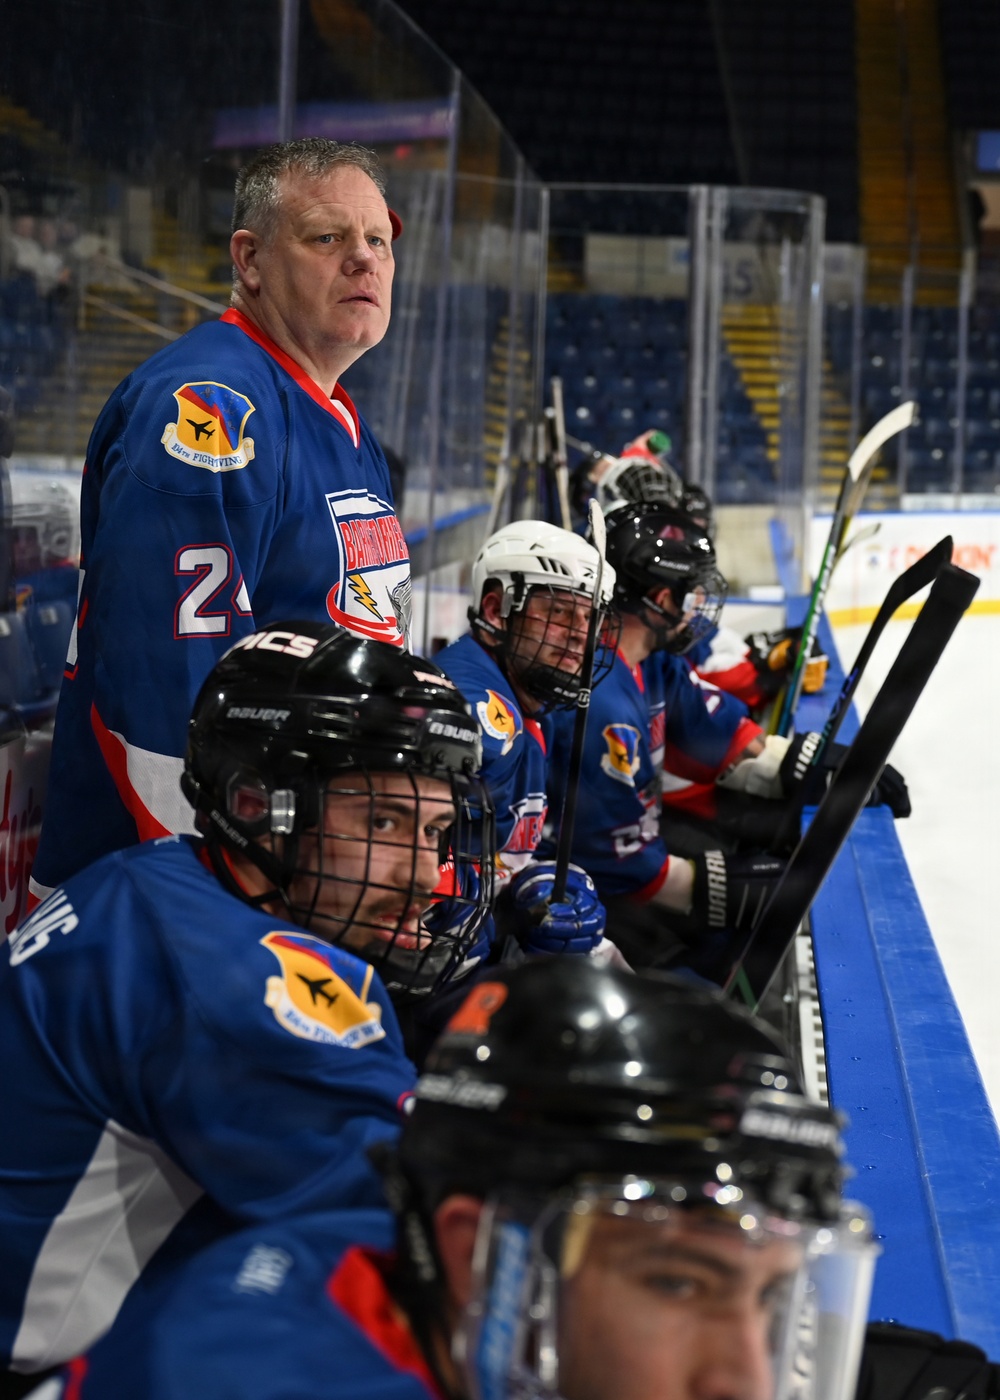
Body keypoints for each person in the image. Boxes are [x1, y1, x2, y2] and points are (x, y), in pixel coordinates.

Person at [0, 621, 491, 1383]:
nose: (428, 875)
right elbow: (441, 1241)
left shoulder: (153, 879)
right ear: (258, 803)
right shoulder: (244, 981)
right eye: (385, 823)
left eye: (436, 831)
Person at [54, 957, 880, 1400]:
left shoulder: (396, 1261)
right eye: (677, 1281)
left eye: (771, 1298)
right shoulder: (249, 1376)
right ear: (467, 1252)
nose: (745, 1381)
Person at [31, 138, 410, 901]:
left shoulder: (337, 417)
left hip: (293, 864)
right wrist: (225, 885)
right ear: (250, 260)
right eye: (328, 237)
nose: (365, 260)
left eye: (378, 241)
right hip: (164, 902)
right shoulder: (212, 407)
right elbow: (162, 686)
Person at [434, 520, 616, 960]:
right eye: (558, 612)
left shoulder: (532, 704)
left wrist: (529, 883)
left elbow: (497, 856)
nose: (580, 634)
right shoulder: (474, 718)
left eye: (589, 616)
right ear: (497, 610)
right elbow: (419, 879)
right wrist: (509, 919)